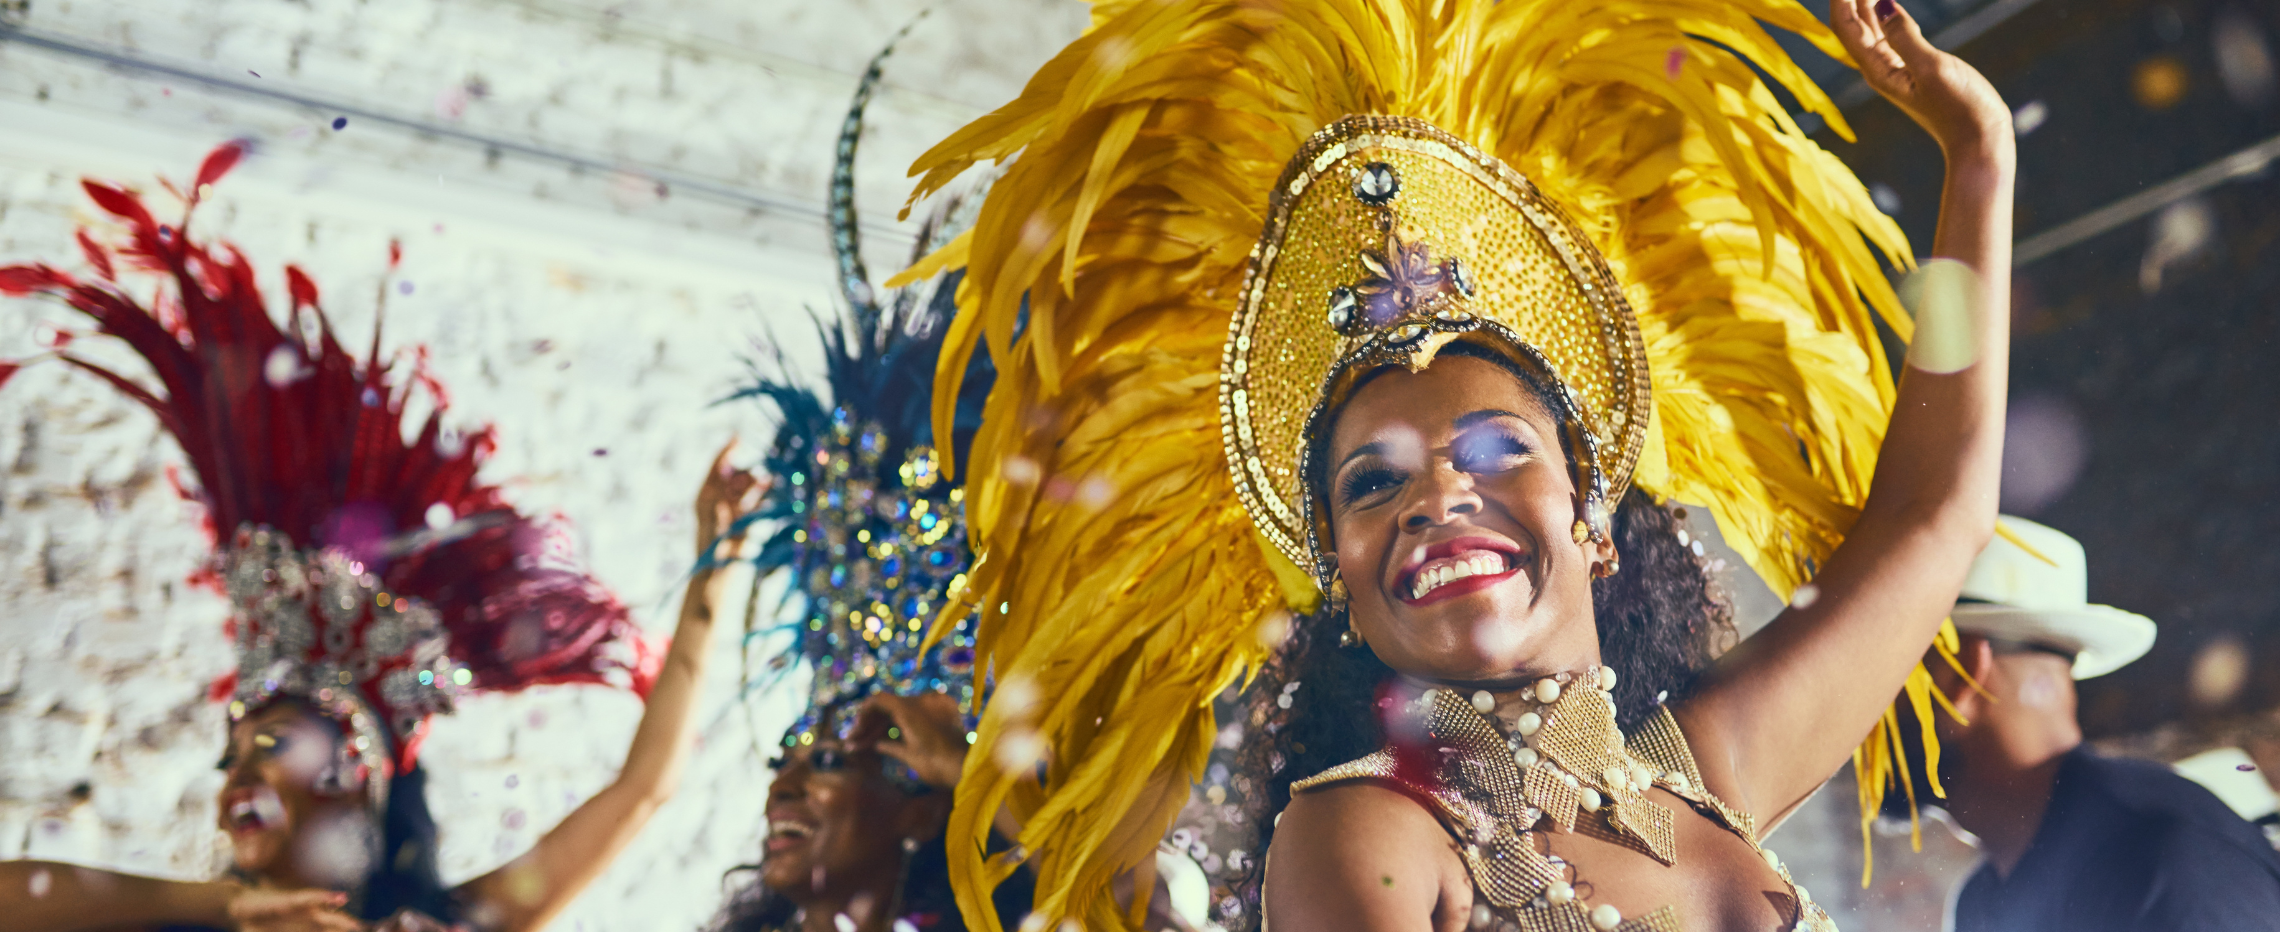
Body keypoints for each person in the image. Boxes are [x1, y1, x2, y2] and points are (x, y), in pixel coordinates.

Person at [887, 0, 2015, 928]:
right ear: (1342, 577)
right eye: (1371, 483)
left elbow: (1933, 514)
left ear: (1594, 517)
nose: (1436, 494)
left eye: (1493, 448)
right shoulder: (1365, 834)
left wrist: (1978, 160)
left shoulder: (1703, 773)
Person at [0, 148, 752, 932]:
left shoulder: (454, 924)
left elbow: (644, 789)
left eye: (268, 745)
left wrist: (717, 565)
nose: (234, 777)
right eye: (234, 756)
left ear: (353, 767)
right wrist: (223, 907)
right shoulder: (199, 922)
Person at [1897, 517, 2280, 931]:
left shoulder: (2168, 868)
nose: (1865, 717)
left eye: (1884, 673)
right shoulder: (1985, 904)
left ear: (1962, 675)